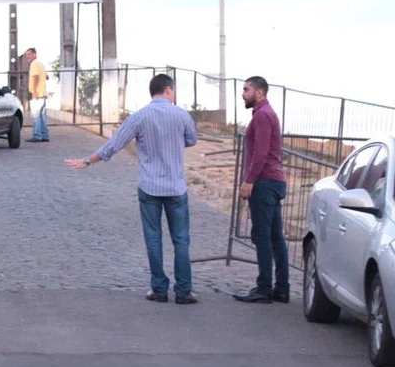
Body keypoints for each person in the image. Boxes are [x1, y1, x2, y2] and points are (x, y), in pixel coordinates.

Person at [65, 73, 200, 304]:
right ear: (169, 90)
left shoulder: (139, 117)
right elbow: (191, 140)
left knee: (153, 239)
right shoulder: (181, 115)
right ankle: (184, 291)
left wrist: (88, 161)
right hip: (176, 188)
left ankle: (159, 289)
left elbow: (114, 145)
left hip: (150, 188)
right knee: (181, 240)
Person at [233, 76, 290, 304]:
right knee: (276, 237)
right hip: (272, 181)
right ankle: (282, 288)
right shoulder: (264, 114)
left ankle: (264, 288)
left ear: (259, 92)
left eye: (246, 90)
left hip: (265, 183)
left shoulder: (264, 116)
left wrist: (249, 181)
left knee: (263, 236)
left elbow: (261, 153)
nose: (243, 94)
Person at [26, 48, 49, 142]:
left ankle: (37, 135)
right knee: (42, 116)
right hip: (43, 93)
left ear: (34, 54)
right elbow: (47, 76)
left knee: (36, 115)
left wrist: (34, 91)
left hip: (37, 93)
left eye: (29, 54)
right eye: (27, 55)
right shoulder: (41, 64)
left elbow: (35, 77)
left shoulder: (34, 64)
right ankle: (45, 135)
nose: (28, 56)